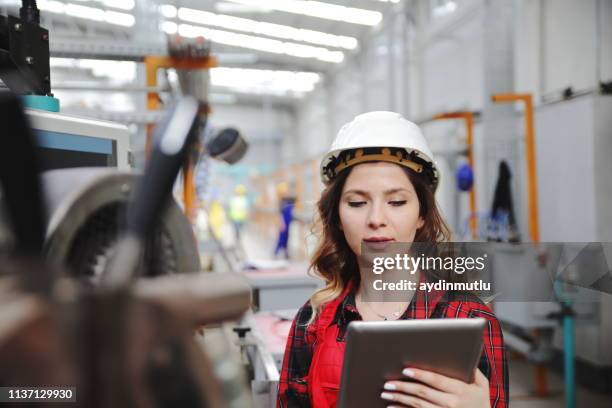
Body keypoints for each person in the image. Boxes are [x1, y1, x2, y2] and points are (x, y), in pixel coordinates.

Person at [277, 112, 508, 408]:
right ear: (336, 217)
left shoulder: (469, 316)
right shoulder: (312, 321)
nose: (376, 219)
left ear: (422, 214)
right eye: (357, 203)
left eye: (396, 202)